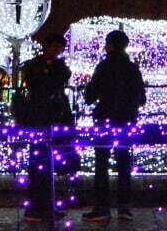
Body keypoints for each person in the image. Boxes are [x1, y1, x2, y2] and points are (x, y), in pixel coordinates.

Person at [82, 29, 146, 223]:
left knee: (101, 164)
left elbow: (90, 96)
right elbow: (141, 98)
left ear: (109, 45)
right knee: (124, 162)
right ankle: (124, 207)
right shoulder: (132, 68)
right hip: (126, 120)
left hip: (105, 120)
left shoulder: (103, 67)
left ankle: (102, 207)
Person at [16, 33, 74, 225]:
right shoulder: (34, 67)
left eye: (59, 48)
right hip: (39, 119)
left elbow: (62, 77)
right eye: (54, 47)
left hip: (50, 120)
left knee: (46, 165)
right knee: (38, 164)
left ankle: (45, 207)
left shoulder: (56, 67)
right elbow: (44, 86)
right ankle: (37, 207)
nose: (56, 51)